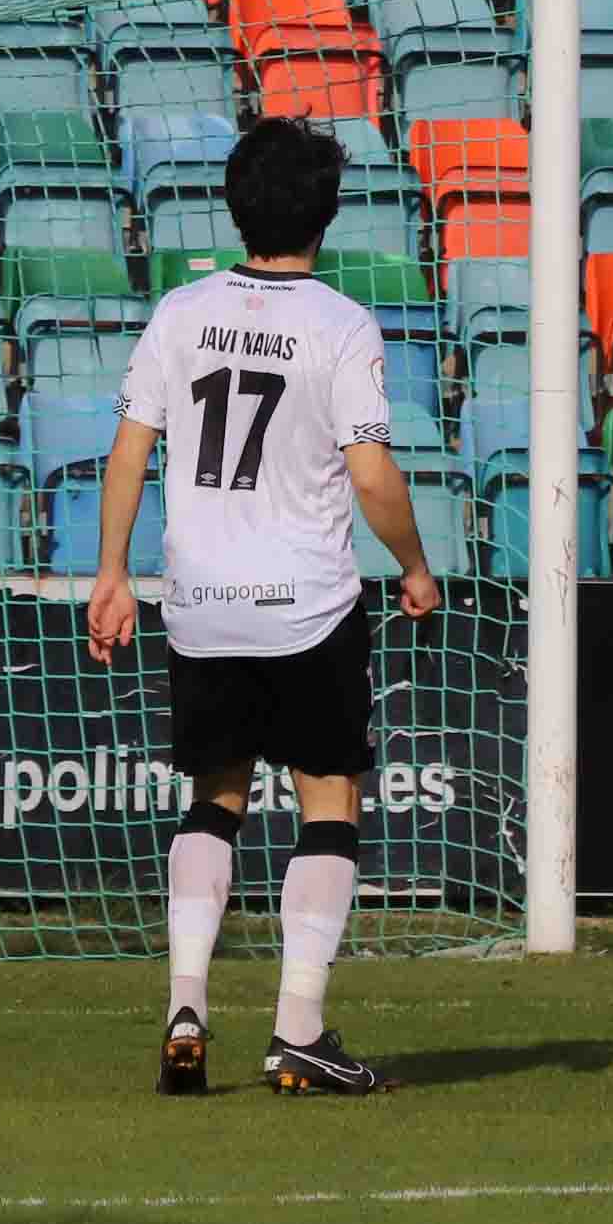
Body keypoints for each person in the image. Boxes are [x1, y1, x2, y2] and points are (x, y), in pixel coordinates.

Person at [84, 118, 441, 1099]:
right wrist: (414, 563)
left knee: (216, 796)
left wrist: (111, 572)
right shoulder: (340, 323)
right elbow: (371, 473)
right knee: (329, 798)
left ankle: (185, 1004)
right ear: (325, 215)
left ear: (235, 207)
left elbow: (129, 449)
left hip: (199, 601)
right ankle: (297, 1030)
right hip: (305, 605)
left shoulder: (181, 311)